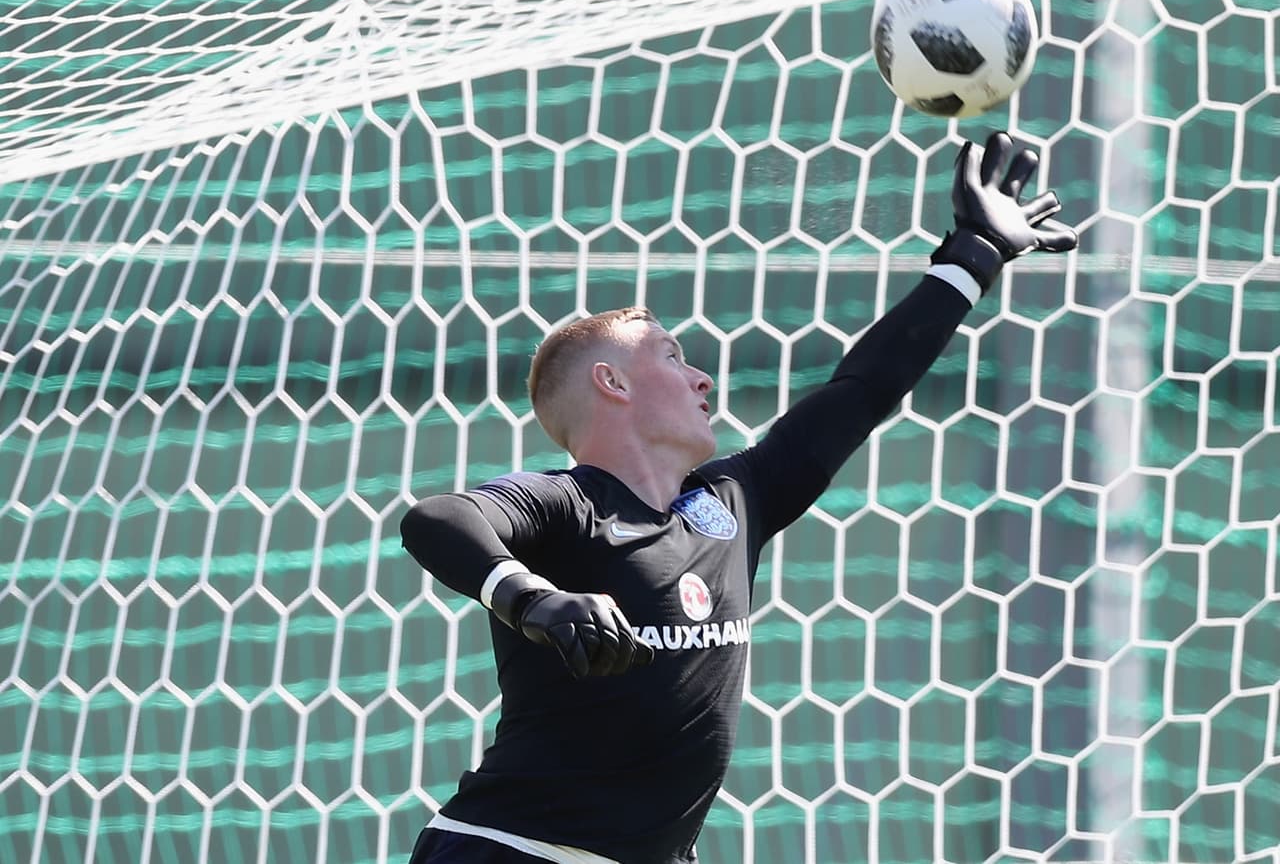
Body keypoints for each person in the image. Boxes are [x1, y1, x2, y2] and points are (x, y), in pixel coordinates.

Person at [399, 131, 1078, 864]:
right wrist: (534, 599)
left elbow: (862, 391)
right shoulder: (568, 504)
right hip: (510, 849)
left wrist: (974, 255)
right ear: (612, 383)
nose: (703, 378)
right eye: (672, 356)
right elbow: (438, 517)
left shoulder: (735, 498)